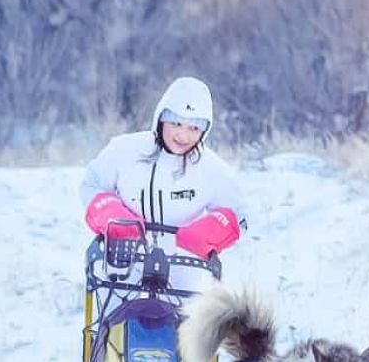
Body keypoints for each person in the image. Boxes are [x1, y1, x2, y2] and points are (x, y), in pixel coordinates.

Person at [80, 76, 245, 293]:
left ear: (205, 131)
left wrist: (211, 231)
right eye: (176, 123)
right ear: (161, 118)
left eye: (194, 128)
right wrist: (112, 215)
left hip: (183, 277)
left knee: (180, 327)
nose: (183, 135)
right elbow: (92, 184)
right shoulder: (125, 150)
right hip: (122, 270)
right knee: (119, 324)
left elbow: (241, 215)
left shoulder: (211, 168)